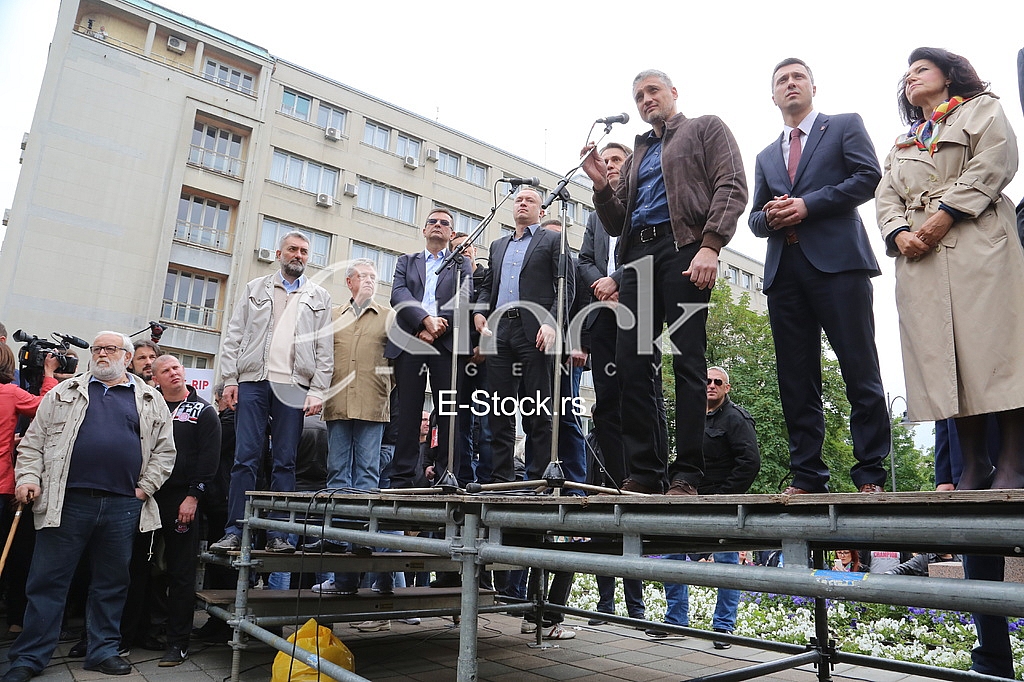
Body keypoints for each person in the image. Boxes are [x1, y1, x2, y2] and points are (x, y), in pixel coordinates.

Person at [581, 69, 747, 495]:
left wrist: (710, 245)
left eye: (652, 91)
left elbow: (731, 185)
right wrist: (601, 186)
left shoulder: (704, 128)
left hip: (684, 249)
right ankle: (646, 473)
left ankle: (687, 473)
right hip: (638, 258)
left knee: (688, 360)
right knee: (633, 364)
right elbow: (617, 222)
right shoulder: (638, 153)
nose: (645, 100)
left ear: (673, 92)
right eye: (638, 96)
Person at [876, 47, 1024, 494]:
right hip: (921, 260)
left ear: (948, 75)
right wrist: (898, 232)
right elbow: (885, 195)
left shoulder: (982, 109)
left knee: (997, 352)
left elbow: (995, 160)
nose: (911, 78)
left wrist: (945, 214)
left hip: (980, 243)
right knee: (947, 360)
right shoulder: (904, 141)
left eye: (921, 69)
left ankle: (1013, 464)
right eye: (906, 75)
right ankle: (973, 466)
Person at [748, 57, 890, 495]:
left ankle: (870, 473)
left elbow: (869, 177)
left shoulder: (844, 125)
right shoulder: (765, 155)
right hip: (784, 272)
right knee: (795, 379)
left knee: (859, 367)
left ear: (813, 86)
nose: (790, 83)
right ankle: (808, 475)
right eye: (782, 80)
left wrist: (808, 204)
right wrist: (769, 217)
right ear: (772, 96)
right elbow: (754, 219)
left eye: (798, 77)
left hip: (839, 264)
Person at [3, 332, 175, 682]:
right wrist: (28, 478)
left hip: (123, 505)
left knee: (112, 583)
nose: (101, 354)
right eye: (97, 349)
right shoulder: (63, 392)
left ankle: (103, 651)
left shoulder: (150, 398)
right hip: (65, 501)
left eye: (110, 349)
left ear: (127, 357)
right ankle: (30, 657)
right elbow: (32, 444)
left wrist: (144, 489)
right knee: (48, 581)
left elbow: (165, 451)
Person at [211, 231, 333, 554]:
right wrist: (230, 379)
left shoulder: (319, 297)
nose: (298, 255)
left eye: (304, 251)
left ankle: (279, 535)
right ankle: (235, 530)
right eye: (292, 249)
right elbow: (234, 335)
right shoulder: (255, 289)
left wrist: (318, 390)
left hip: (293, 385)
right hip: (253, 380)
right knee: (245, 458)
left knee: (285, 462)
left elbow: (325, 349)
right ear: (279, 253)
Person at [647, 366, 760, 649]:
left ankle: (723, 628)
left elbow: (749, 463)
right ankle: (675, 622)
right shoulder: (691, 418)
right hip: (688, 498)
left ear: (726, 388)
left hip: (721, 503)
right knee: (671, 557)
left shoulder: (736, 419)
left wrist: (724, 495)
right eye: (706, 380)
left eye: (717, 382)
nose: (711, 385)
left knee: (726, 566)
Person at [473, 187, 574, 483]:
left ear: (541, 211)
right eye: (518, 199)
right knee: (498, 408)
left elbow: (566, 286)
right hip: (500, 330)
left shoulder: (553, 240)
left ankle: (537, 479)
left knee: (538, 408)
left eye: (530, 200)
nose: (522, 203)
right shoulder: (498, 245)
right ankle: (502, 479)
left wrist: (552, 322)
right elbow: (487, 286)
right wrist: (479, 312)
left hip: (535, 330)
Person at [310, 258, 395, 597]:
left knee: (367, 476)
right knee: (336, 474)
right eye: (363, 276)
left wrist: (384, 386)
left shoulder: (388, 316)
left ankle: (361, 540)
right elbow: (320, 358)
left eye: (374, 276)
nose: (370, 280)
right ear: (349, 282)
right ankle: (337, 542)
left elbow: (397, 362)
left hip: (373, 404)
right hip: (338, 404)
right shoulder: (332, 316)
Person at [385, 209, 471, 488]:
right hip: (411, 341)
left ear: (451, 233)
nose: (437, 225)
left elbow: (465, 299)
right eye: (432, 221)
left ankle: (447, 476)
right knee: (408, 412)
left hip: (446, 346)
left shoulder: (461, 264)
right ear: (424, 230)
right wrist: (424, 321)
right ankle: (402, 478)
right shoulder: (406, 261)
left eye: (444, 223)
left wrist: (437, 326)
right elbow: (398, 295)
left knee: (447, 413)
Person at [148, 354, 220, 667]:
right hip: (148, 495)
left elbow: (209, 459)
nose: (173, 373)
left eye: (177, 367)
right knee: (143, 567)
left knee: (180, 571)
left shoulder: (203, 410)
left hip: (182, 499)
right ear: (156, 378)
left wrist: (193, 496)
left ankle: (178, 643)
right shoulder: (149, 406)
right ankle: (142, 632)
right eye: (165, 370)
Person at [0, 346, 58, 641]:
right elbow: (46, 406)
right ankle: (16, 618)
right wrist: (49, 374)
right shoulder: (10, 393)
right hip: (4, 486)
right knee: (13, 555)